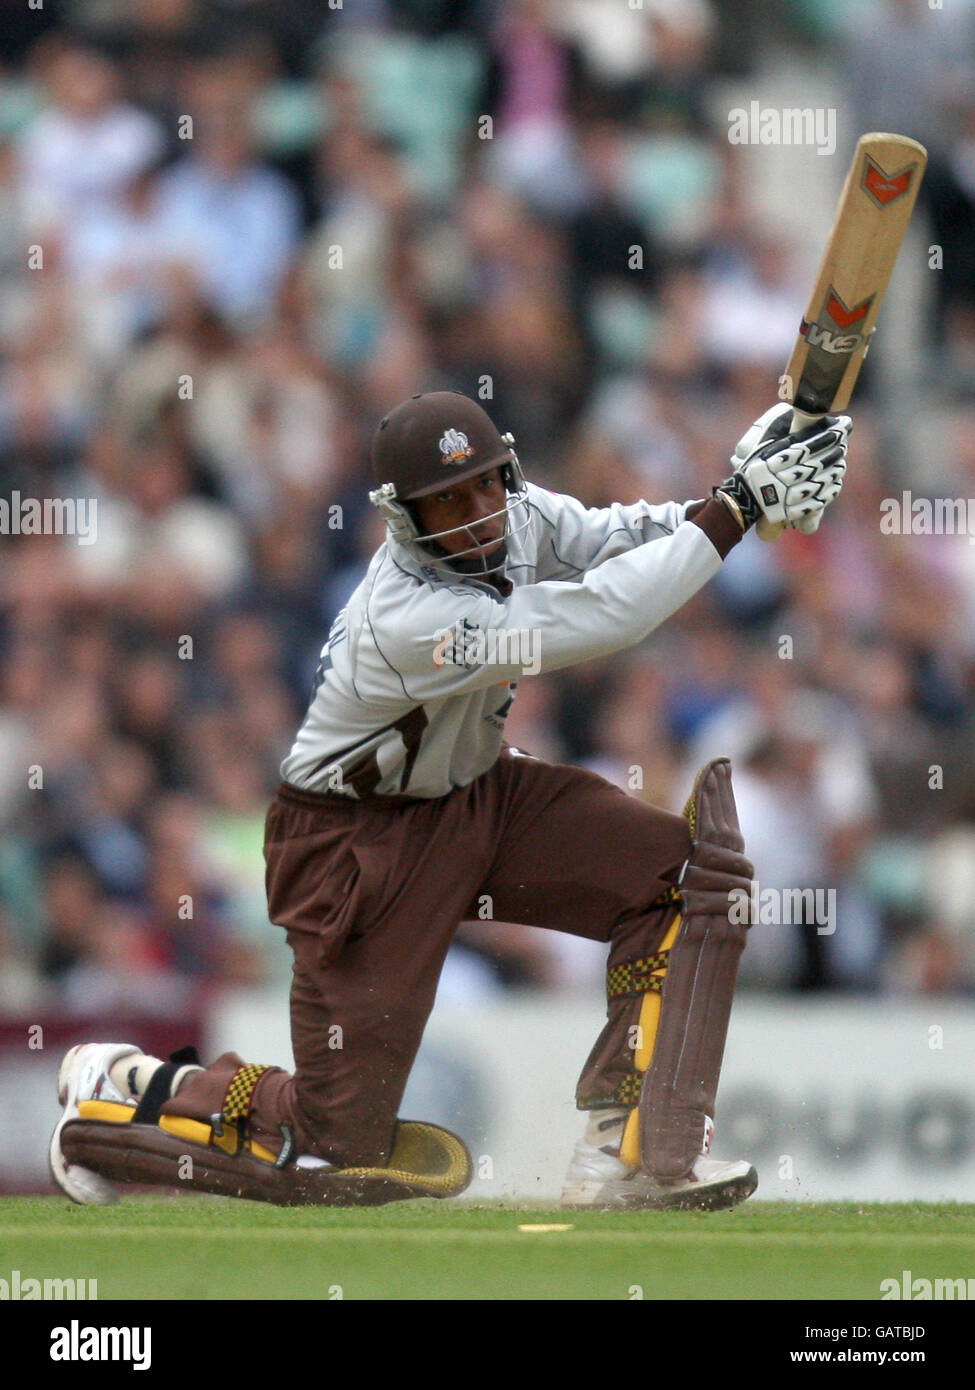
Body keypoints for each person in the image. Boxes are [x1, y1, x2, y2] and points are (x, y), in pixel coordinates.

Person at [50, 391, 849, 1210]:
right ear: (402, 518)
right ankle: (126, 1089)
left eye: (483, 485)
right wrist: (743, 504)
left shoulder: (518, 510)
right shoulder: (412, 617)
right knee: (335, 1145)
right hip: (353, 846)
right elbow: (604, 614)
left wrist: (737, 496)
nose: (477, 515)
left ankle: (630, 1151)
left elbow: (619, 535)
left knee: (685, 876)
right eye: (446, 502)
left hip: (480, 792)